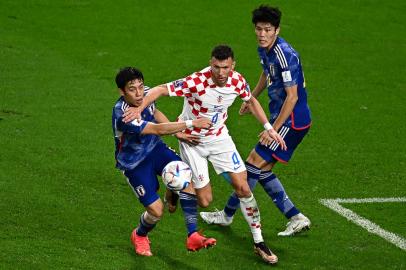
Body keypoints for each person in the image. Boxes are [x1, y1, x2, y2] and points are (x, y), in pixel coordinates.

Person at [123, 45, 286, 264]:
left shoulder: (237, 80)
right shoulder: (196, 81)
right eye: (216, 67)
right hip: (193, 141)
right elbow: (161, 89)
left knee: (243, 187)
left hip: (220, 139)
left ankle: (259, 242)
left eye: (225, 67)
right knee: (205, 201)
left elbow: (250, 100)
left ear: (232, 66)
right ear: (211, 63)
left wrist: (269, 128)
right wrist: (139, 107)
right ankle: (174, 186)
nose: (220, 72)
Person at [200, 5, 312, 237]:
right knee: (260, 170)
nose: (262, 34)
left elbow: (292, 97)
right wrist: (251, 97)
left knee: (251, 164)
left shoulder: (285, 54)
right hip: (282, 119)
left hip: (291, 121)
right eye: (259, 29)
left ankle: (227, 215)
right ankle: (295, 216)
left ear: (277, 30)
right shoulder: (265, 49)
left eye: (267, 30)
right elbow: (266, 73)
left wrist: (273, 129)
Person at [112, 67, 216, 257]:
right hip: (134, 163)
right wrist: (191, 124)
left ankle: (193, 234)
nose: (138, 93)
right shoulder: (123, 115)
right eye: (131, 89)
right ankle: (140, 234)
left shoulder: (146, 94)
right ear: (122, 91)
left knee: (184, 175)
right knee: (156, 211)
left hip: (156, 150)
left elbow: (155, 111)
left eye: (140, 86)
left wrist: (178, 134)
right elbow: (158, 129)